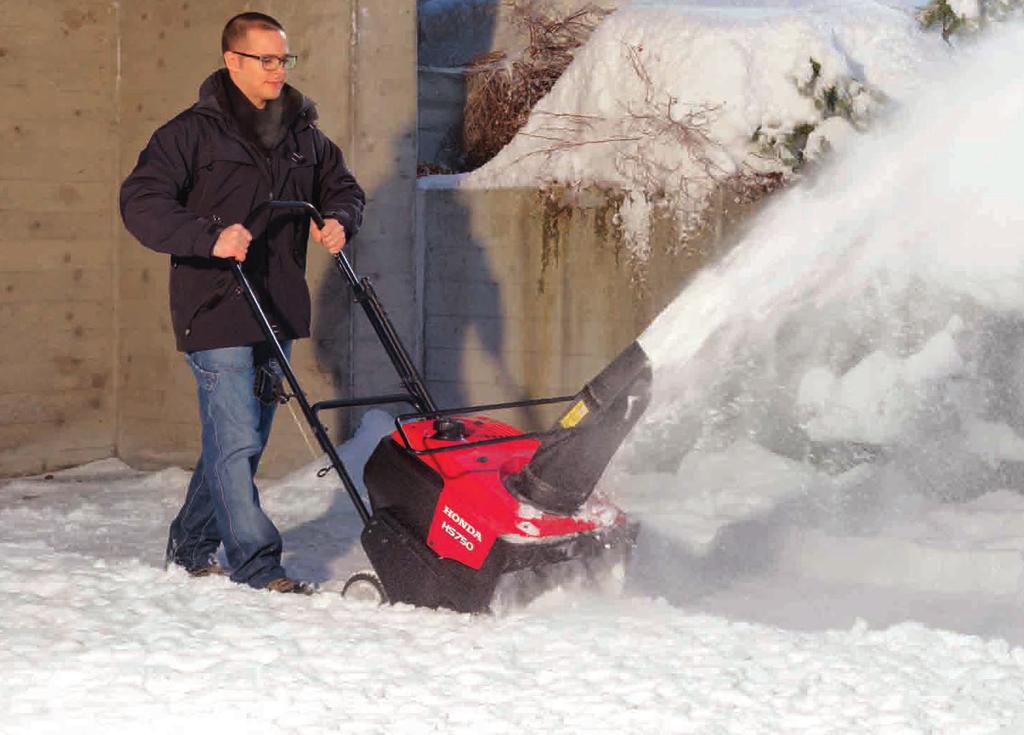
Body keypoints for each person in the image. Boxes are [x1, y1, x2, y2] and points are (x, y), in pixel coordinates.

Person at [120, 12, 365, 594]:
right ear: (233, 62)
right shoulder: (188, 134)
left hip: (275, 307)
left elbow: (343, 187)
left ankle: (190, 543)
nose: (279, 70)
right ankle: (259, 566)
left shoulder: (304, 134)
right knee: (237, 438)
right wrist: (208, 236)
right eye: (268, 60)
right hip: (215, 307)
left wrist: (339, 220)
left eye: (285, 60)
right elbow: (141, 202)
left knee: (239, 437)